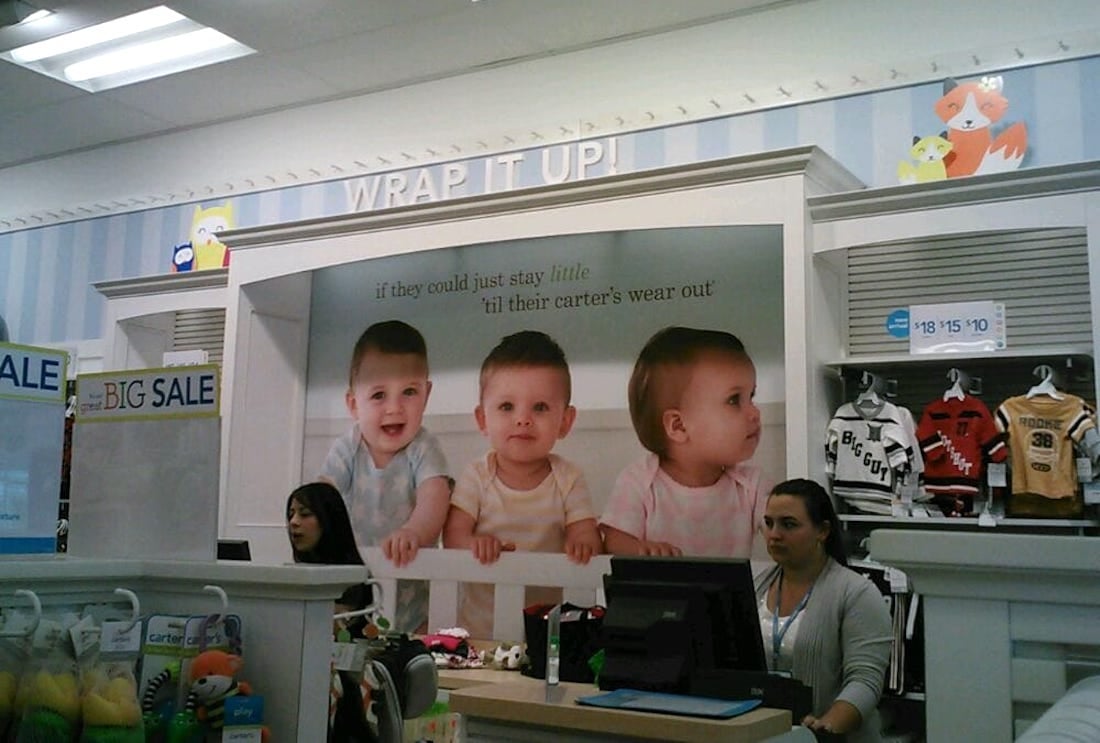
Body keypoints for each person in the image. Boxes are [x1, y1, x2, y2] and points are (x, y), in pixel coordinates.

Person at [443, 330, 602, 638]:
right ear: (482, 419)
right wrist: (474, 543)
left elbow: (585, 533)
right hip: (479, 631)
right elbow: (453, 537)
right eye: (506, 407)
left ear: (565, 421)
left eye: (540, 407)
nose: (523, 419)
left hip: (551, 630)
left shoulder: (569, 478)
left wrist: (583, 543)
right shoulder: (476, 476)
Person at [318, 319, 451, 633]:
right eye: (379, 395)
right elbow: (324, 495)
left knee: (410, 656)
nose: (394, 408)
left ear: (426, 395)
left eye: (409, 392)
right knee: (345, 649)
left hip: (411, 593)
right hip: (352, 588)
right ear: (354, 403)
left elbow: (435, 496)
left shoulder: (424, 448)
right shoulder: (347, 448)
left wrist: (415, 531)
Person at [600, 326, 769, 557]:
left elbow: (784, 524)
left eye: (752, 396)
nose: (754, 413)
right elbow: (613, 541)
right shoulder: (639, 482)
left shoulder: (752, 486)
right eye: (733, 400)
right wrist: (641, 550)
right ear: (678, 426)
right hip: (660, 593)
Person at [756, 478, 893, 742]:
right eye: (769, 523)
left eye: (789, 524)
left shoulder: (856, 593)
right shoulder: (758, 587)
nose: (774, 534)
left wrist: (824, 728)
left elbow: (865, 682)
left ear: (823, 531)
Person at [286, 481, 376, 743]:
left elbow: (325, 629)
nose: (294, 522)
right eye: (291, 514)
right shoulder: (298, 574)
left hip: (342, 682)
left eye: (304, 514)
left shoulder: (351, 578)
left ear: (328, 520)